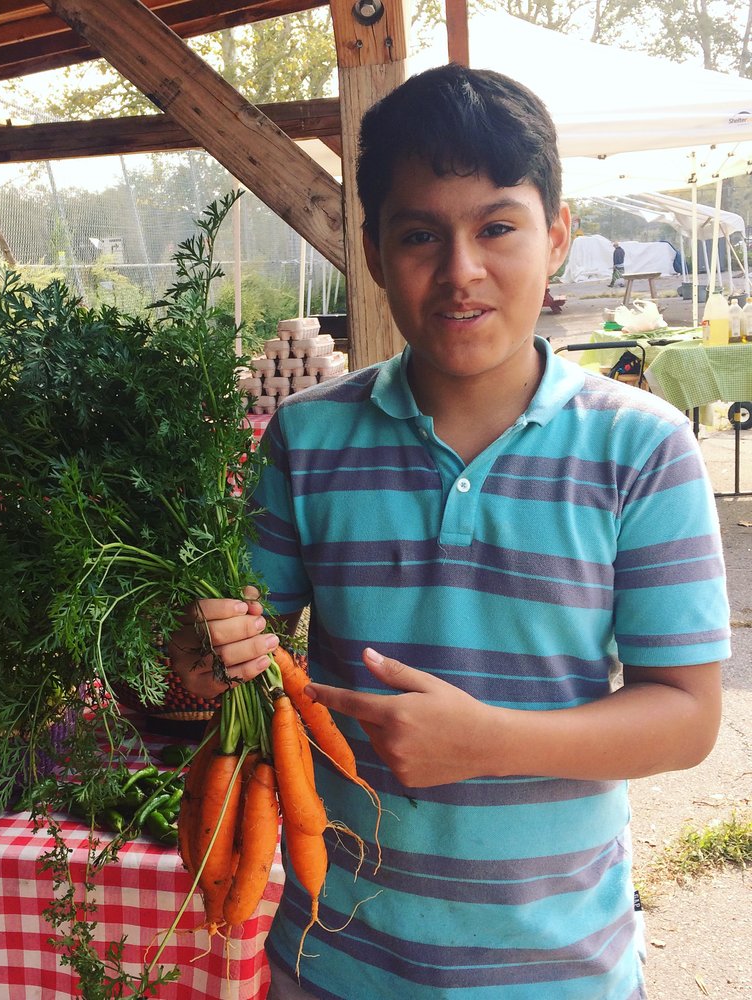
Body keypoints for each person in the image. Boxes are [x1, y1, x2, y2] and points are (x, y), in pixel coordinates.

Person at [169, 64, 729, 1000]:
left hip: (558, 971)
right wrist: (201, 652)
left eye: (497, 228)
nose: (461, 271)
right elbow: (234, 654)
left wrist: (491, 741)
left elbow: (687, 716)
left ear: (556, 237)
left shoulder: (644, 449)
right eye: (421, 233)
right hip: (336, 962)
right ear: (377, 254)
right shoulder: (309, 437)